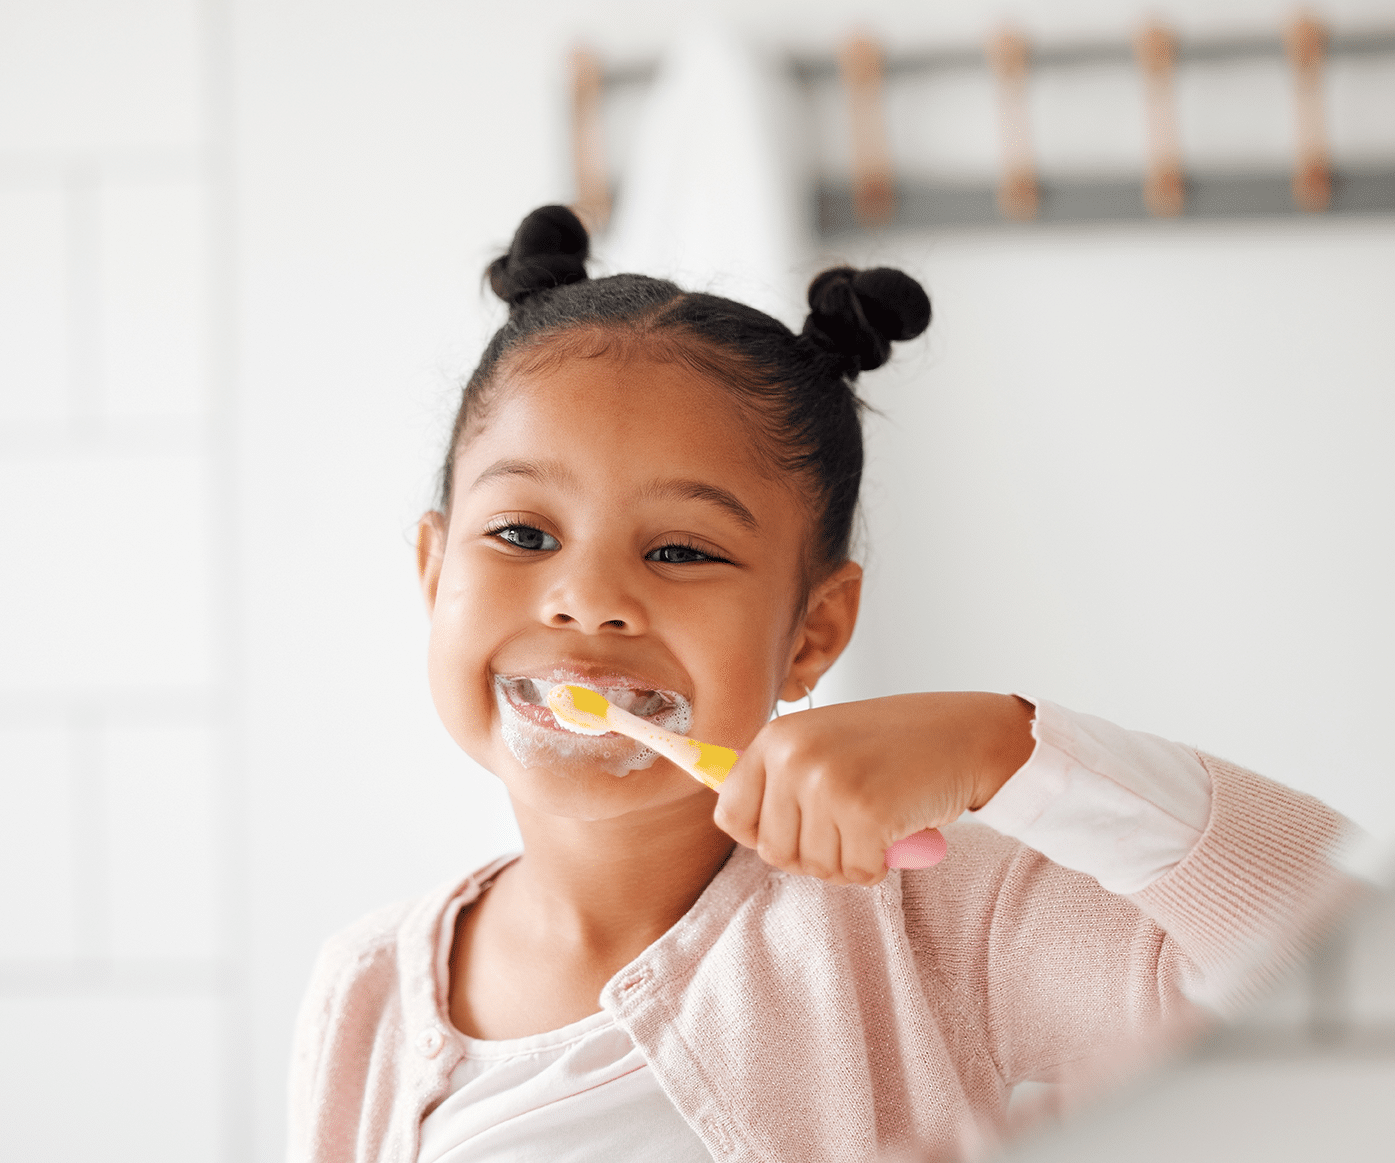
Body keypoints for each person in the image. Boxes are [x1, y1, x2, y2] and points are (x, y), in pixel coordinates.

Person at [286, 205, 1354, 1163]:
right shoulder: (365, 989)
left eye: (681, 551)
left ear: (815, 629)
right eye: (522, 532)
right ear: (435, 571)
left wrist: (1006, 748)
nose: (587, 598)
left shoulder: (932, 923)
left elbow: (1342, 954)